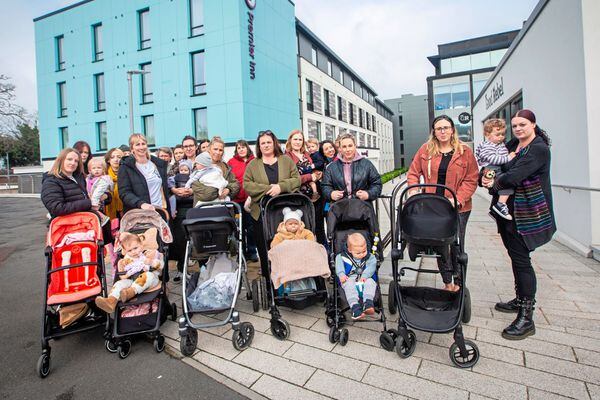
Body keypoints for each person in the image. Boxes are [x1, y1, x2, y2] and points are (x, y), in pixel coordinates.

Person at [482, 109, 555, 340]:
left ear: (533, 124)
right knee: (515, 257)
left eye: (522, 124)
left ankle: (526, 316)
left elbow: (513, 176)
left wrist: (493, 180)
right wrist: (485, 175)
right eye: (515, 125)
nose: (518, 129)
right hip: (507, 212)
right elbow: (496, 165)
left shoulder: (538, 149)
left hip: (526, 214)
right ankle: (519, 299)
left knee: (522, 261)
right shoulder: (514, 145)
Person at [407, 115, 478, 291]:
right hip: (433, 206)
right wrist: (413, 189)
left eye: (446, 127)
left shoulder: (464, 151)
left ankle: (460, 283)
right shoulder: (426, 150)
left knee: (456, 244)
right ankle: (448, 283)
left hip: (457, 208)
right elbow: (413, 172)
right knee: (441, 242)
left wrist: (457, 199)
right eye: (439, 128)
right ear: (434, 132)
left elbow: (471, 179)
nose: (443, 131)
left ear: (452, 129)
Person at [243, 130, 301, 282]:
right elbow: (247, 185)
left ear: (274, 143)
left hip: (284, 212)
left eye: (269, 142)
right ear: (259, 146)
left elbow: (297, 180)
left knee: (286, 245)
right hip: (261, 213)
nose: (266, 145)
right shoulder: (253, 164)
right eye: (263, 143)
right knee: (264, 247)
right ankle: (268, 280)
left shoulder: (286, 161)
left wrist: (281, 187)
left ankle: (290, 276)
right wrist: (269, 189)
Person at [94, 232, 163, 313]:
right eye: (129, 250)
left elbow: (161, 265)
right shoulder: (127, 260)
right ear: (125, 251)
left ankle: (130, 292)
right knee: (119, 283)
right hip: (133, 280)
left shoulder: (148, 254)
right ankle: (111, 301)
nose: (133, 252)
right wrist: (122, 265)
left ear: (141, 245)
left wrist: (151, 262)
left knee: (148, 275)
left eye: (135, 248)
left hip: (151, 282)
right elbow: (123, 274)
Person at [117, 133, 170, 215]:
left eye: (143, 144)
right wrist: (141, 204)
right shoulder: (125, 167)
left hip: (160, 210)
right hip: (140, 213)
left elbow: (164, 188)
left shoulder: (158, 164)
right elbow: (124, 193)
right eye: (137, 145)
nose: (141, 147)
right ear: (132, 149)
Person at [321, 133, 382, 204]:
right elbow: (325, 186)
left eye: (350, 146)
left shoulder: (366, 164)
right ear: (340, 148)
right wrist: (331, 194)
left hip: (362, 209)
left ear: (355, 146)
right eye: (344, 146)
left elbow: (377, 184)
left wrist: (368, 194)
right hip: (339, 210)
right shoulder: (332, 167)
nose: (347, 149)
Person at [475, 119, 515, 220]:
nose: (501, 137)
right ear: (487, 135)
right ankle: (500, 205)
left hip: (494, 169)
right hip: (493, 168)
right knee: (506, 184)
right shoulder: (488, 146)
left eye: (502, 134)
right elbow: (493, 159)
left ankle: (494, 211)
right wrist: (508, 158)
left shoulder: (498, 144)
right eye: (498, 134)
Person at [228, 139, 258, 262]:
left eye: (243, 147)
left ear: (247, 148)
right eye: (238, 148)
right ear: (236, 150)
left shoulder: (254, 161)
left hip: (251, 200)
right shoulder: (231, 162)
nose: (241, 149)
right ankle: (242, 252)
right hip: (237, 200)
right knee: (239, 227)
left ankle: (252, 251)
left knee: (251, 227)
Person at [335, 233, 377, 320]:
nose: (362, 254)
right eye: (358, 253)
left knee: (371, 282)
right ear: (349, 250)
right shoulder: (341, 257)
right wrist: (341, 275)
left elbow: (371, 267)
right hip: (349, 278)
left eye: (364, 251)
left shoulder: (370, 257)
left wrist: (365, 276)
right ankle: (355, 307)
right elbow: (339, 267)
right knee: (349, 285)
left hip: (365, 278)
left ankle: (368, 303)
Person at [41, 148, 93, 217]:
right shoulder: (51, 181)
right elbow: (56, 208)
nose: (73, 163)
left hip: (85, 219)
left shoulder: (79, 178)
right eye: (69, 159)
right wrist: (88, 203)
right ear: (61, 160)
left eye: (76, 161)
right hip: (67, 224)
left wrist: (105, 197)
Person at [191, 137, 239, 205]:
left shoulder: (225, 167)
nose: (218, 152)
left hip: (223, 210)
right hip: (203, 211)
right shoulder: (199, 166)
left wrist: (228, 190)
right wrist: (219, 191)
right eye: (215, 149)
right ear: (209, 149)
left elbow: (235, 184)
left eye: (220, 150)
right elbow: (202, 192)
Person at [285, 130, 319, 201]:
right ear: (290, 140)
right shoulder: (286, 157)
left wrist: (317, 173)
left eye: (300, 140)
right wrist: (309, 177)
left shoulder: (306, 154)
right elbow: (288, 179)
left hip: (314, 195)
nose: (298, 142)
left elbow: (312, 169)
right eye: (295, 139)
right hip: (298, 197)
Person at [86, 157, 113, 225]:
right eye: (94, 168)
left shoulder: (103, 180)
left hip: (97, 203)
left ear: (103, 169)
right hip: (90, 201)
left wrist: (94, 204)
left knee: (100, 218)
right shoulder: (88, 179)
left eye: (99, 168)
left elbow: (98, 193)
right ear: (90, 170)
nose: (96, 170)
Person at [103, 148, 124, 221]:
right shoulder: (104, 174)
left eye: (119, 157)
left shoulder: (126, 173)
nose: (116, 159)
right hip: (109, 208)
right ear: (108, 160)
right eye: (112, 157)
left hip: (124, 208)